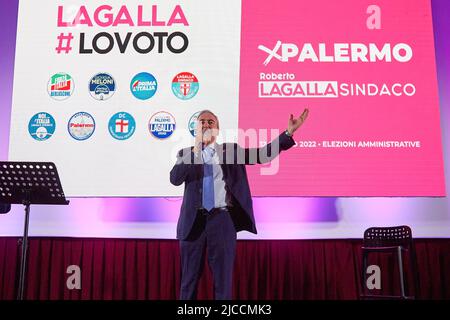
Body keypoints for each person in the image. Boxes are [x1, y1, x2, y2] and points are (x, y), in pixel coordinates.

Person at [170, 108, 309, 300]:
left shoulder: (231, 151)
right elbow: (175, 179)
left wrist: (288, 134)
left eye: (211, 122)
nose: (206, 124)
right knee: (188, 283)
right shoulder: (186, 153)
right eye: (202, 121)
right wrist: (195, 149)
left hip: (222, 220)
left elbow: (263, 155)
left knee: (223, 282)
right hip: (193, 223)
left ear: (217, 129)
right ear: (195, 128)